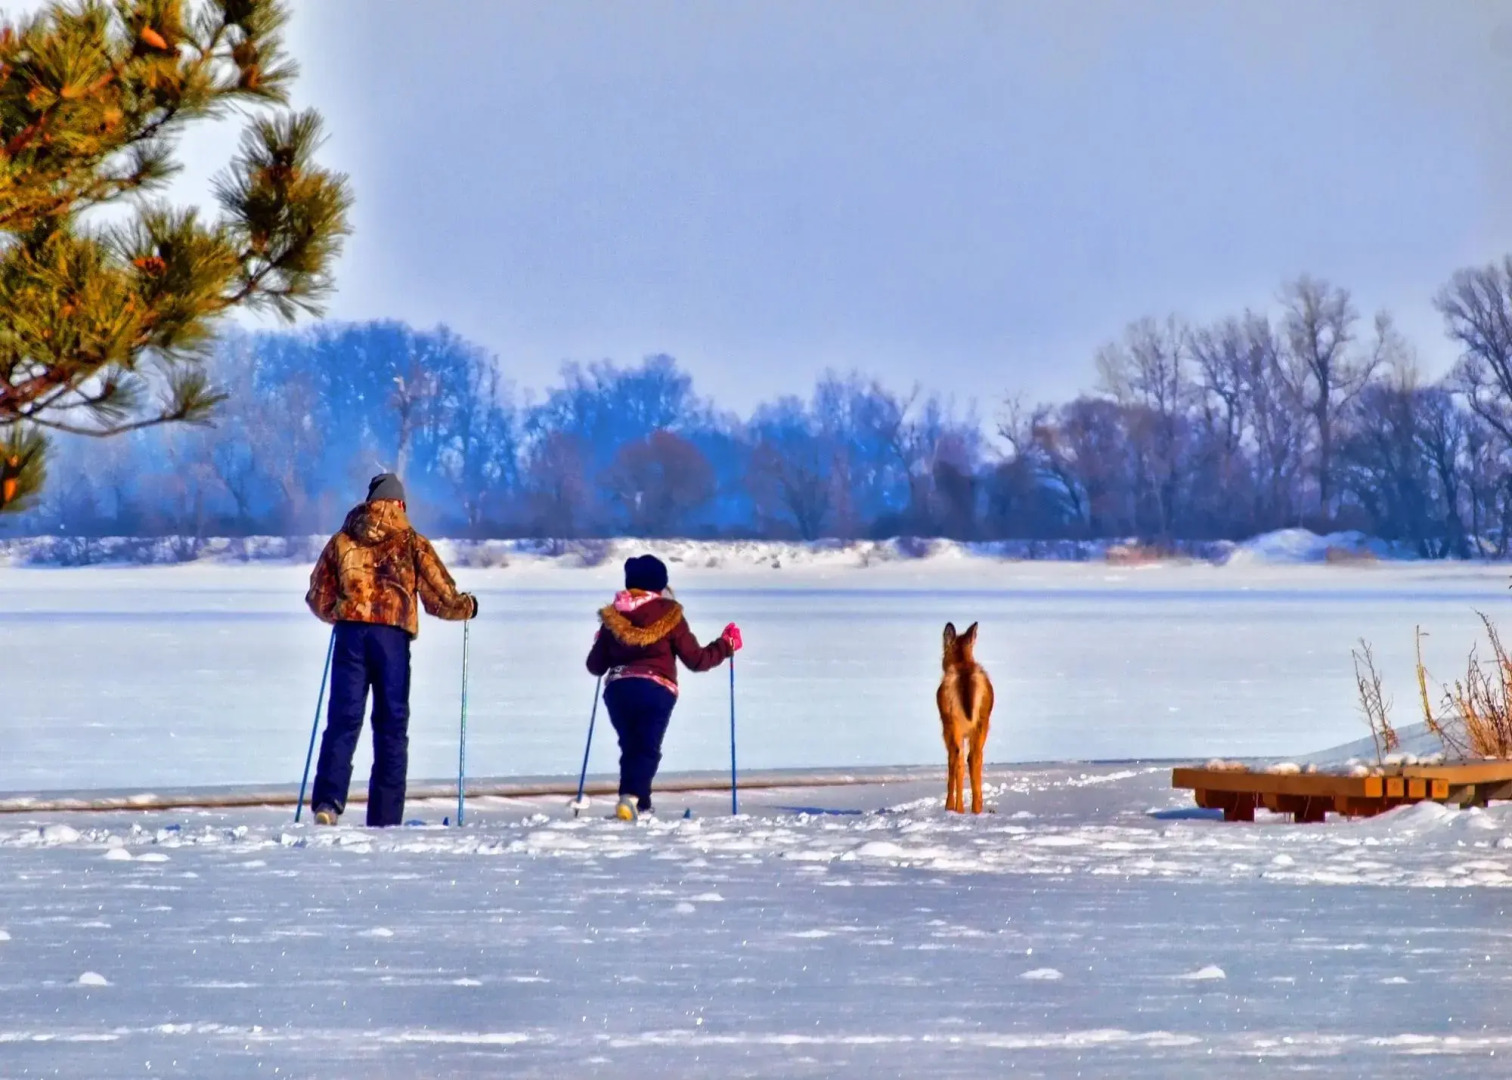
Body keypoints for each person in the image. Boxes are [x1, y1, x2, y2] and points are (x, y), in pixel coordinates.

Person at [304, 473, 477, 827]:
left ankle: (328, 802)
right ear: (399, 503)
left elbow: (317, 594)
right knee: (391, 725)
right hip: (392, 640)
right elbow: (439, 596)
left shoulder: (342, 540)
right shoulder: (412, 542)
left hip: (350, 636)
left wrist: (339, 612)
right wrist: (466, 607)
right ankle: (384, 817)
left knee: (343, 719)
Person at [586, 554, 742, 821]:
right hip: (656, 689)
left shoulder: (613, 617)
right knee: (646, 747)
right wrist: (726, 645)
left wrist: (602, 639)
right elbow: (697, 660)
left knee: (633, 747)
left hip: (618, 690)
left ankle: (639, 806)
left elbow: (595, 666)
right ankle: (631, 799)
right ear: (660, 584)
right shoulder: (670, 616)